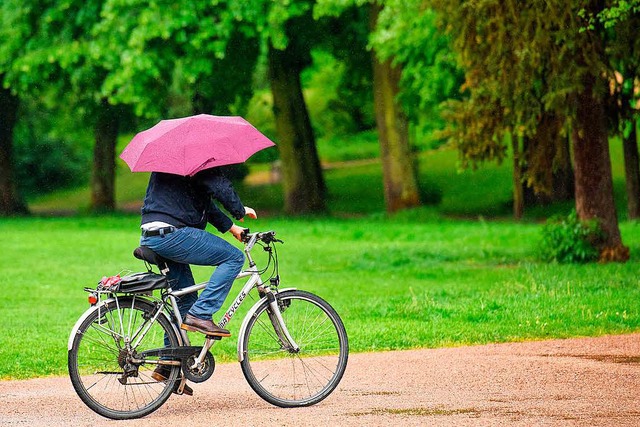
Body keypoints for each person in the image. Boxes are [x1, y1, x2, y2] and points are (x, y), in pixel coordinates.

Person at [140, 167, 255, 337]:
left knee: (185, 300)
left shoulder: (173, 162)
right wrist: (239, 210)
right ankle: (201, 314)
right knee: (234, 258)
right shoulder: (200, 160)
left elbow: (202, 202)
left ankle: (171, 360)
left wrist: (232, 228)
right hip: (172, 233)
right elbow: (219, 186)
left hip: (152, 235)